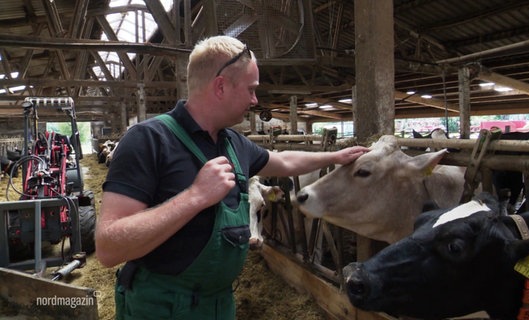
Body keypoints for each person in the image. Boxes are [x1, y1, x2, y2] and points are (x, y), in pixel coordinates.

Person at [95, 35, 369, 320]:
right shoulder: (148, 140)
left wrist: (336, 157)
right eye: (251, 89)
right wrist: (195, 197)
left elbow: (284, 161)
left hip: (219, 304)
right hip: (160, 307)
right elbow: (108, 247)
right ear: (221, 86)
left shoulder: (235, 144)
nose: (255, 100)